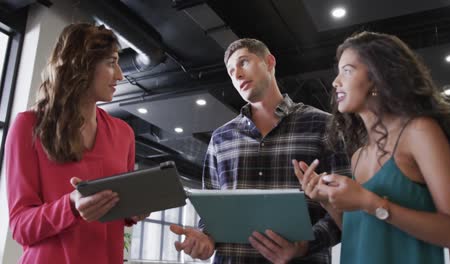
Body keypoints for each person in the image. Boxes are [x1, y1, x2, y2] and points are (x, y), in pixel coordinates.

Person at [169, 38, 350, 264]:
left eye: (243, 62)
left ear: (269, 62)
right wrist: (206, 238)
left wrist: (305, 246)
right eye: (231, 71)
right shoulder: (221, 139)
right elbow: (212, 214)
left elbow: (349, 210)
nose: (237, 74)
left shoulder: (325, 126)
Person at [294, 31, 450, 264]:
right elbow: (362, 230)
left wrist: (369, 201)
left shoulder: (419, 132)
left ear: (377, 77)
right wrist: (325, 199)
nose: (335, 82)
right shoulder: (358, 156)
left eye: (347, 70)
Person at [6, 23, 146, 264]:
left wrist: (135, 209)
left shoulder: (124, 134)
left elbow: (115, 210)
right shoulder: (28, 125)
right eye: (111, 63)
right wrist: (70, 205)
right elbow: (20, 227)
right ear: (81, 64)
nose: (120, 76)